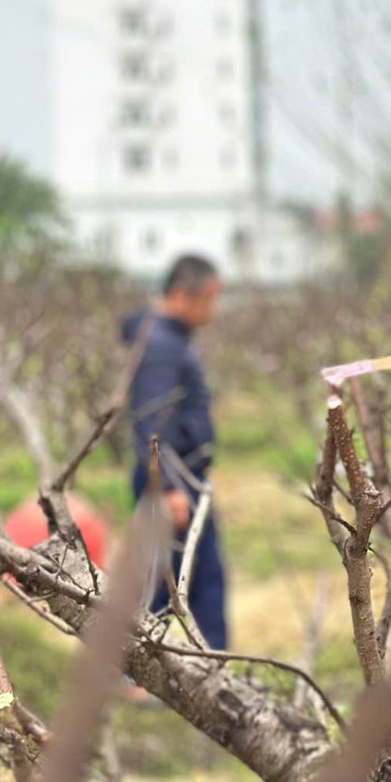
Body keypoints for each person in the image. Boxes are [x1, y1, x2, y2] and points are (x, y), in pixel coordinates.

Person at [123, 254, 228, 652]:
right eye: (209, 299)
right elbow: (151, 420)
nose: (212, 310)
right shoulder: (162, 345)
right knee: (162, 578)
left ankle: (208, 664)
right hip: (172, 479)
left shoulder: (168, 339)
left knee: (199, 577)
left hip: (182, 476)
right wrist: (165, 486)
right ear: (182, 294)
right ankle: (147, 674)